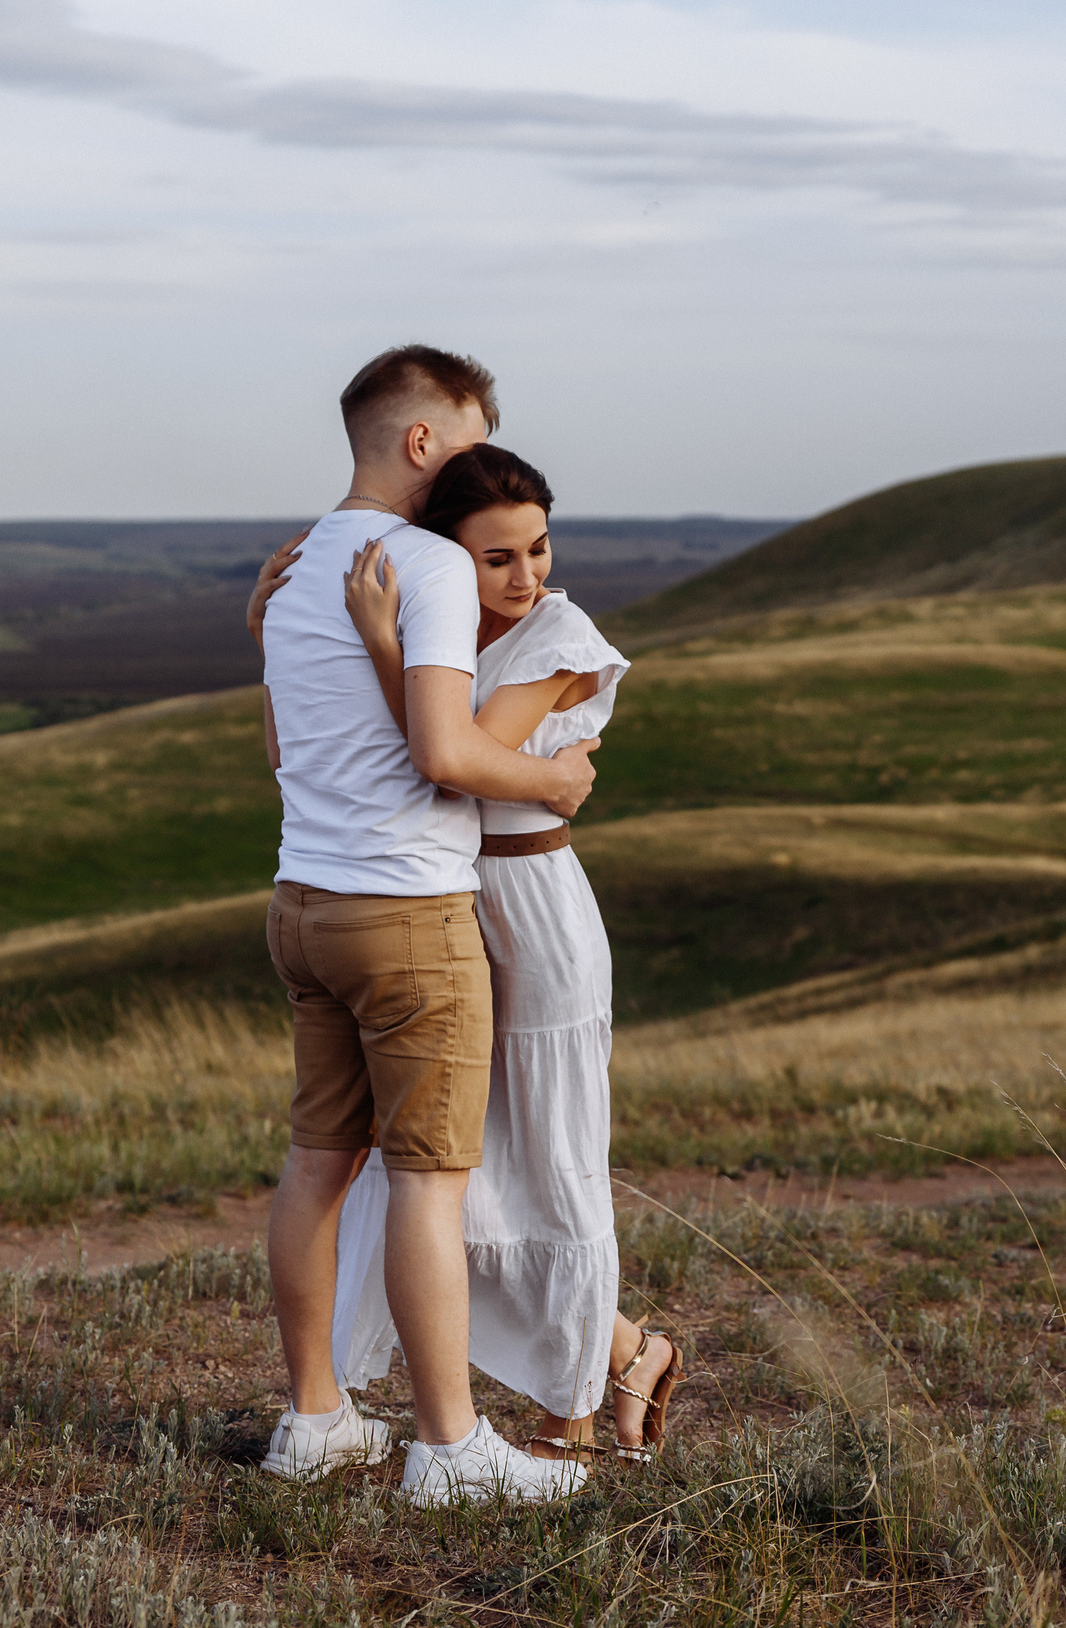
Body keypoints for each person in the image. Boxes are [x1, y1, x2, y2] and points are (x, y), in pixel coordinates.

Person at [254, 345, 598, 1507]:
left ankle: (314, 1420)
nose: (474, 463)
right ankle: (449, 1450)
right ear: (421, 441)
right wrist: (550, 784)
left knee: (316, 1164)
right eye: (465, 436)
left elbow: (282, 755)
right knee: (429, 1182)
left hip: (301, 904)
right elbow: (449, 754)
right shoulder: (429, 563)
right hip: (407, 914)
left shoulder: (299, 568)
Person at [324, 445, 683, 1465]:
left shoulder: (560, 633)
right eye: (496, 558)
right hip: (445, 910)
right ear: (447, 558)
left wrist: (384, 648)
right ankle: (629, 1350)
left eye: (537, 548)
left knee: (553, 1165)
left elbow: (461, 765)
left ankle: (569, 1413)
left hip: (535, 914)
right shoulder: (437, 624)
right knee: (447, 1173)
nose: (525, 576)